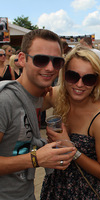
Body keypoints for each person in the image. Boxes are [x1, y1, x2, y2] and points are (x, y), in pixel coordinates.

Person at [0, 29, 76, 200]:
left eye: (56, 62)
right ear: (22, 59)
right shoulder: (5, 100)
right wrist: (35, 159)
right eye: (41, 60)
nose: (50, 68)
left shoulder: (39, 96)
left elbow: (81, 97)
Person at [40, 45, 100, 199]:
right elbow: (22, 104)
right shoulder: (58, 96)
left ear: (96, 81)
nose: (79, 84)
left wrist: (71, 149)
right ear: (63, 75)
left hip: (88, 192)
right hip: (57, 186)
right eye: (72, 76)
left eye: (88, 79)